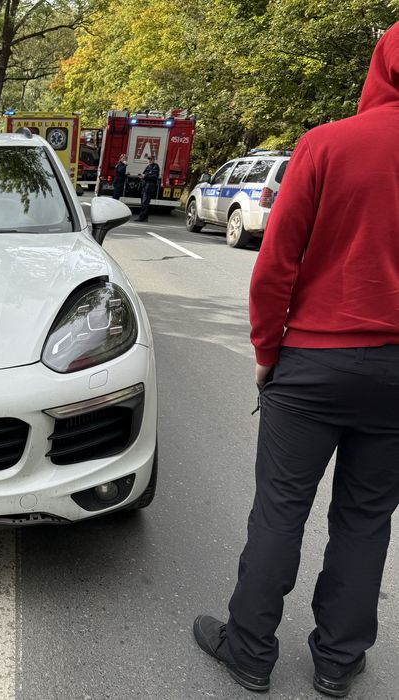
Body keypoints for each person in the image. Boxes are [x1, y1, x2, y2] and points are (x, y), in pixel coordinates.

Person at [193, 22, 399, 698]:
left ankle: (249, 650)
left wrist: (266, 348)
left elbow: (275, 264)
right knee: (366, 519)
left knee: (280, 508)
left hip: (313, 362)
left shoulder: (327, 145)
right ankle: (338, 660)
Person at [134, 155, 159, 221]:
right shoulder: (148, 166)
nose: (149, 161)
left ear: (154, 160)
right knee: (143, 202)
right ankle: (145, 217)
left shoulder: (155, 167)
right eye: (149, 159)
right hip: (145, 186)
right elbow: (144, 174)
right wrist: (141, 176)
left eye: (151, 159)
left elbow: (155, 176)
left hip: (150, 187)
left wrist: (145, 177)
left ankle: (142, 217)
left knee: (145, 202)